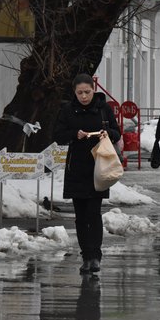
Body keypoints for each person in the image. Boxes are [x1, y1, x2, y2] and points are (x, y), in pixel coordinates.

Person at [54, 73, 121, 274]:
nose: (84, 96)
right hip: (76, 168)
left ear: (94, 90)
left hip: (99, 167)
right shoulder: (67, 110)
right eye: (80, 92)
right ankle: (86, 256)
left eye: (87, 92)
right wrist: (75, 135)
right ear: (74, 92)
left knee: (94, 213)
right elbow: (57, 135)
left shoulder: (103, 109)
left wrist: (108, 133)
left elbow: (117, 133)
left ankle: (95, 256)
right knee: (81, 216)